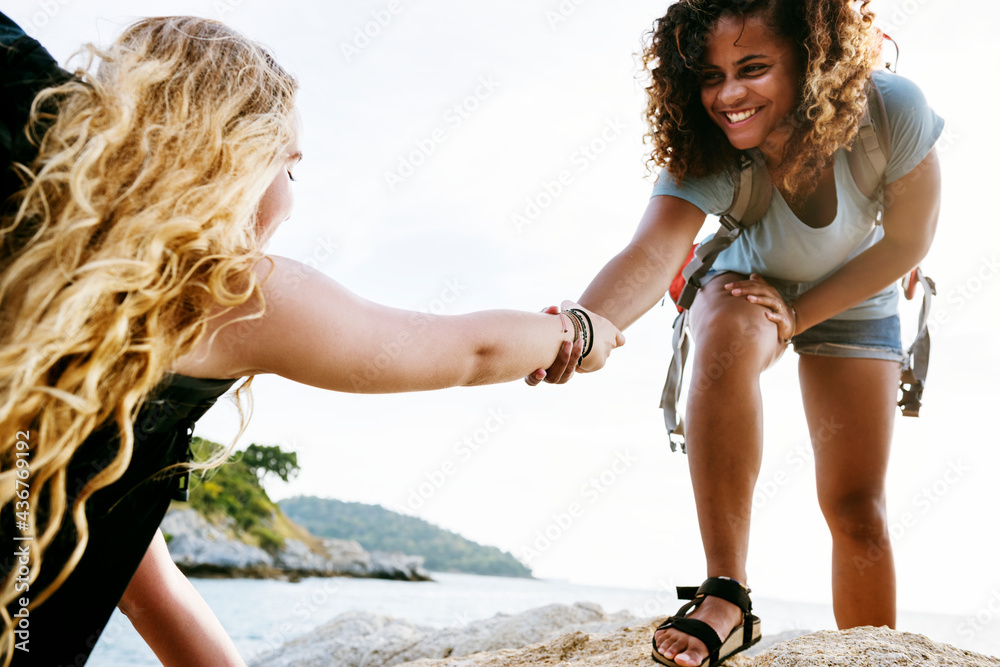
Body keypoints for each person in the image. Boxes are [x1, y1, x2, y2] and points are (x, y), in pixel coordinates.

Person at [0, 15, 625, 667]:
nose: (291, 202)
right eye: (287, 167)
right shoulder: (222, 294)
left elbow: (147, 588)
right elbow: (467, 350)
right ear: (230, 156)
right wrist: (576, 332)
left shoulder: (35, 271)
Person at [531, 1, 942, 665]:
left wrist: (802, 316)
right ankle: (727, 595)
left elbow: (908, 240)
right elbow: (650, 255)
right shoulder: (708, 149)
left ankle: (875, 652)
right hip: (749, 282)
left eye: (752, 69)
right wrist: (582, 325)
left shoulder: (892, 110)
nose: (728, 95)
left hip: (860, 283)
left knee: (857, 504)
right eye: (711, 76)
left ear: (809, 64)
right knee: (723, 322)